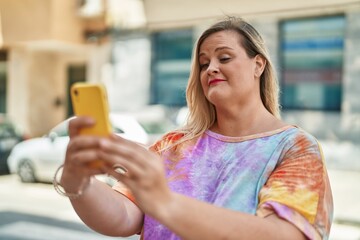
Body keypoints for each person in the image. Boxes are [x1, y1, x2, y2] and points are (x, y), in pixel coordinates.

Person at [56, 16, 333, 240]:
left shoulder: (295, 147)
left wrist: (165, 203)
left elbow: (285, 235)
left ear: (257, 64)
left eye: (224, 58)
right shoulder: (173, 145)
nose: (210, 68)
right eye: (203, 63)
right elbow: (123, 218)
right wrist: (77, 182)